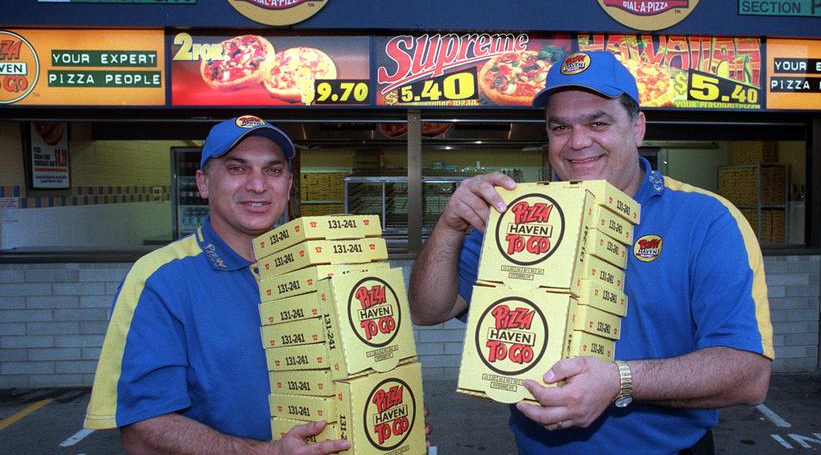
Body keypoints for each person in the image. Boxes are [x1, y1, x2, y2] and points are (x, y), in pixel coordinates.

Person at [409, 51, 773, 455]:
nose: (578, 142)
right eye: (560, 127)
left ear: (637, 127)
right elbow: (428, 310)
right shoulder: (517, 214)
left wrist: (620, 380)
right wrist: (449, 227)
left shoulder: (707, 219)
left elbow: (749, 375)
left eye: (598, 122)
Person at [84, 115, 350, 455]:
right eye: (237, 169)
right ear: (204, 183)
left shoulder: (315, 268)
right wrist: (268, 452)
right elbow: (142, 429)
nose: (258, 185)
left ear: (288, 183)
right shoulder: (159, 280)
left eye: (273, 170)